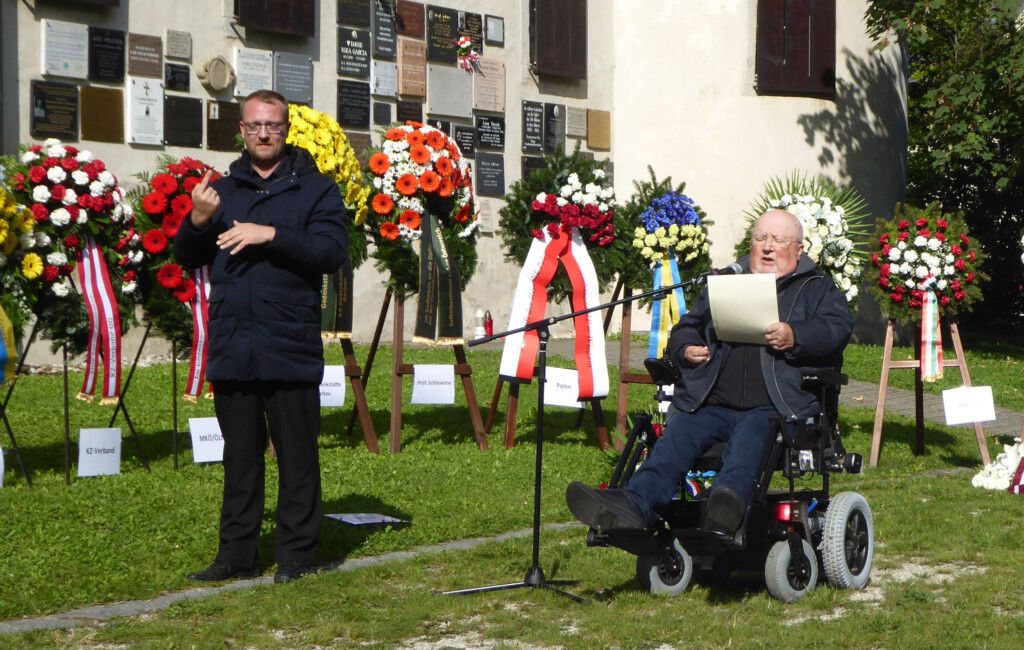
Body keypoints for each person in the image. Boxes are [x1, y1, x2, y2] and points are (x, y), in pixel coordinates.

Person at [566, 209, 853, 537]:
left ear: (798, 250)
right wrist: (686, 348)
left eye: (778, 240)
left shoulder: (815, 288)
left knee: (751, 438)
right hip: (712, 401)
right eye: (761, 238)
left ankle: (725, 508)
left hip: (774, 405)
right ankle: (632, 506)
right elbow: (687, 325)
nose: (768, 247)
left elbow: (837, 328)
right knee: (676, 437)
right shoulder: (726, 280)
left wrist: (795, 335)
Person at [175, 89, 348, 583]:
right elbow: (187, 257)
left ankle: (296, 555)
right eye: (255, 126)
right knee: (240, 459)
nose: (264, 133)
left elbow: (331, 252)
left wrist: (268, 234)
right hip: (235, 344)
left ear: (286, 128)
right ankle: (236, 555)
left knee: (297, 457)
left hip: (289, 343)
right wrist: (199, 220)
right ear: (243, 131)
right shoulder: (223, 189)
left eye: (272, 125)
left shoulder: (316, 189)